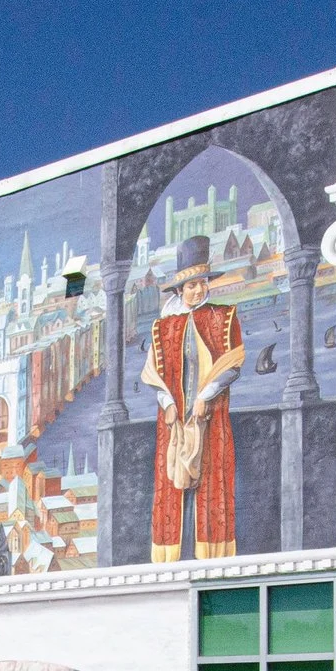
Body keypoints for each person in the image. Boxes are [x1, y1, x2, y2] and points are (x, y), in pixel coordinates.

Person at [141, 234, 245, 562]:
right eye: (191, 286)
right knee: (173, 485)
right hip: (173, 420)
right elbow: (153, 375)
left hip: (208, 417)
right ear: (179, 290)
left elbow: (231, 366)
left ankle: (210, 555)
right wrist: (168, 404)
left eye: (201, 284)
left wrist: (205, 396)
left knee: (210, 484)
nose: (197, 291)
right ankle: (174, 557)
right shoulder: (162, 327)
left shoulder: (223, 317)